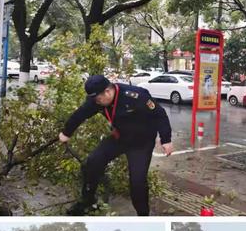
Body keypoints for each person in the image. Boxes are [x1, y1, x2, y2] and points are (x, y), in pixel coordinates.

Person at [59, 75, 173, 216]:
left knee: (137, 183)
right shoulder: (96, 100)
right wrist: (66, 133)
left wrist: (166, 139)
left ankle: (143, 216)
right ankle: (87, 201)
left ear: (108, 91)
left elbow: (159, 114)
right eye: (95, 99)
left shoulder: (136, 96)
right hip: (120, 137)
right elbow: (80, 114)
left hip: (141, 143)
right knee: (92, 162)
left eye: (98, 99)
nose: (97, 102)